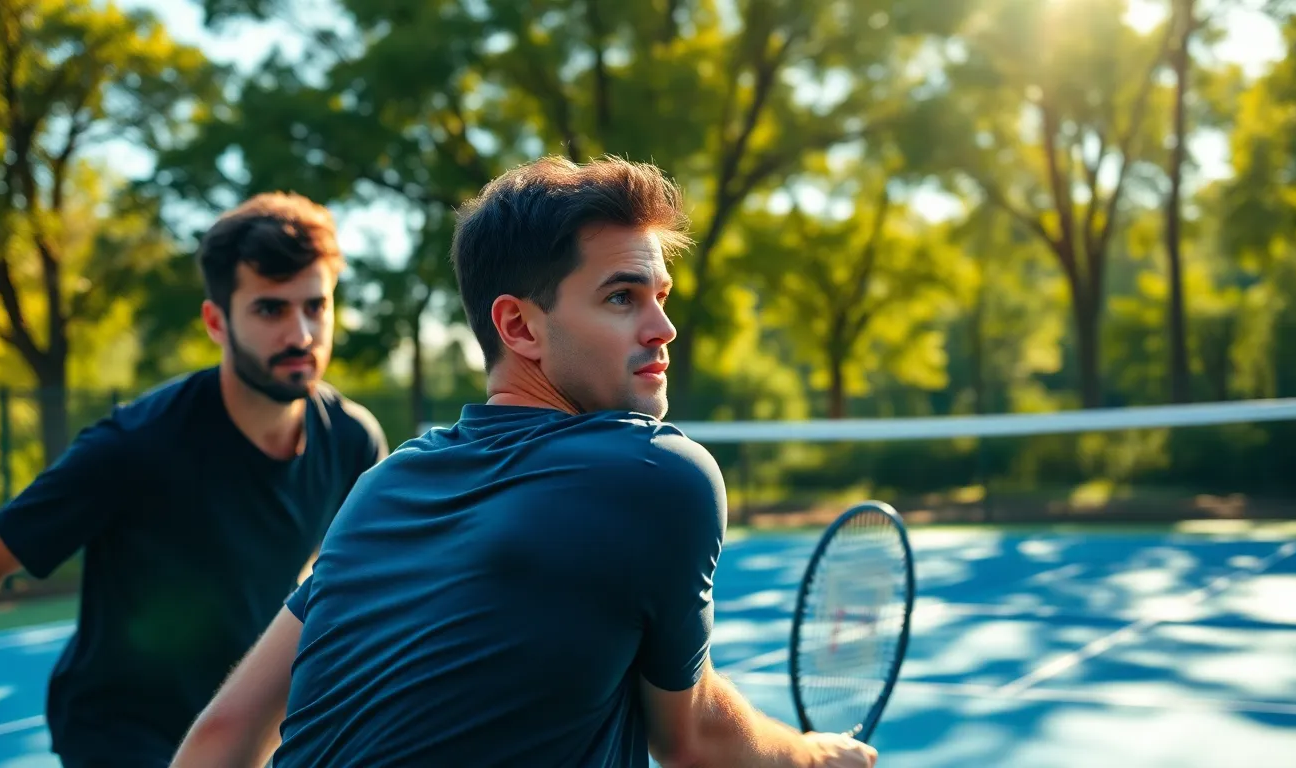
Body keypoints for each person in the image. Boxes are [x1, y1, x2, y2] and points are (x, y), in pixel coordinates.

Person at [169, 156, 878, 768]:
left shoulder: (382, 485)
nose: (662, 328)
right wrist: (814, 756)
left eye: (660, 297)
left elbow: (224, 733)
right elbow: (690, 736)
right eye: (622, 297)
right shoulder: (659, 473)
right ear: (518, 326)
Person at [0, 191, 388, 767]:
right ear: (217, 322)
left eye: (315, 306)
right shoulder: (136, 445)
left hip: (244, 729)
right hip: (121, 733)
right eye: (270, 310)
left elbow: (348, 585)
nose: (301, 333)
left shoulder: (352, 442)